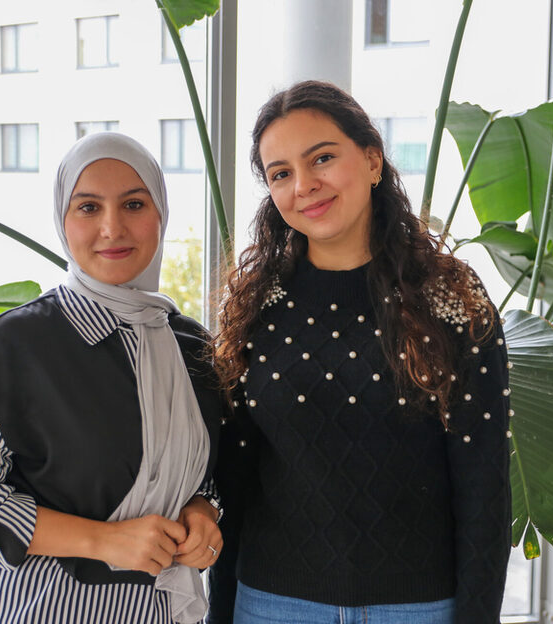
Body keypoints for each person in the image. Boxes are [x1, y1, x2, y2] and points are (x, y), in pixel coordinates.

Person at [208, 81, 511, 624]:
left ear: (372, 159)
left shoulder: (451, 297)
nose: (305, 185)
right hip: (272, 605)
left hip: (419, 608)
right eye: (281, 174)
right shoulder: (255, 306)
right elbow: (236, 480)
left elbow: (484, 485)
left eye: (322, 158)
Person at [0, 132, 224, 624]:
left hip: (155, 612)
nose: (112, 228)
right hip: (26, 610)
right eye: (88, 207)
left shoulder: (191, 348)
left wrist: (202, 511)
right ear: (63, 221)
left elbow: (207, 474)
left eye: (133, 203)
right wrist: (103, 540)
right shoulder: (16, 344)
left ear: (160, 215)